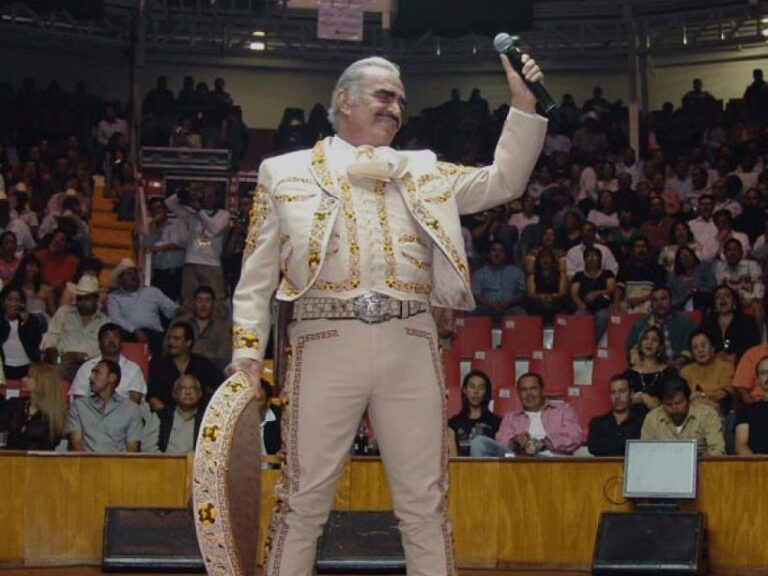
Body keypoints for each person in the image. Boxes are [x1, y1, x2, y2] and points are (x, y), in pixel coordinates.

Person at [225, 53, 547, 576]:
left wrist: (524, 105)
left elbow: (504, 181)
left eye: (400, 99)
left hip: (409, 339)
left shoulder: (422, 169)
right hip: (323, 337)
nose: (396, 108)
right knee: (301, 501)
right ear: (343, 101)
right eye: (384, 96)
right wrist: (245, 354)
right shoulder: (282, 172)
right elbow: (256, 277)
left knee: (425, 504)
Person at [470, 372, 581, 457]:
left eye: (533, 389)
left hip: (552, 461)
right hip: (519, 463)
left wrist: (543, 444)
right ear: (518, 394)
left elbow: (574, 437)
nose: (529, 394)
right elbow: (502, 447)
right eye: (524, 390)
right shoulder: (511, 417)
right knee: (478, 442)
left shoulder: (563, 409)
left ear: (542, 391)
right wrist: (514, 441)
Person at [65, 359, 143, 453]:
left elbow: (132, 450)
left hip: (117, 466)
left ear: (112, 378)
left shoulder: (131, 409)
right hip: (85, 465)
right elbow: (76, 444)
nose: (91, 377)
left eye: (96, 373)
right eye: (92, 373)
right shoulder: (79, 406)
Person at [41, 275, 109, 380]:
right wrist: (53, 350)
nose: (82, 303)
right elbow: (50, 337)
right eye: (79, 298)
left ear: (96, 299)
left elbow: (107, 352)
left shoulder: (105, 322)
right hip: (63, 363)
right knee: (48, 371)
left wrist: (84, 358)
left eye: (87, 299)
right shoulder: (63, 312)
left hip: (91, 367)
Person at [106, 258, 179, 355]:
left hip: (156, 336)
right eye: (129, 273)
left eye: (135, 273)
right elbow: (115, 318)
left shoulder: (152, 291)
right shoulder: (114, 297)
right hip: (129, 336)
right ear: (120, 279)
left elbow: (171, 309)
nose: (133, 276)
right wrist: (135, 330)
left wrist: (182, 311)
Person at [146, 320, 223, 412]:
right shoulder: (158, 364)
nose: (170, 342)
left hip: (198, 418)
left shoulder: (202, 364)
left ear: (188, 342)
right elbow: (152, 397)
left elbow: (222, 387)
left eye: (176, 339)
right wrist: (166, 417)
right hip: (166, 417)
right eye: (169, 338)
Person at [640, 375, 725, 456]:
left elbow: (718, 450)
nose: (674, 409)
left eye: (679, 403)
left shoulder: (707, 414)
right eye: (669, 405)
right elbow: (645, 452)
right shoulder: (652, 418)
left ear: (688, 399)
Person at [68, 323, 147, 404]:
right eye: (106, 337)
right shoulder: (86, 368)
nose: (111, 341)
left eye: (115, 336)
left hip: (124, 415)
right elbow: (78, 400)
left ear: (121, 343)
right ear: (99, 343)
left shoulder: (133, 369)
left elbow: (134, 403)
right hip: (91, 414)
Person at [0, 363, 66, 450]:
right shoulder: (15, 404)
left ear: (42, 382)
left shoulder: (54, 414)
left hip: (39, 461)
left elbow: (51, 443)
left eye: (28, 377)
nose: (23, 379)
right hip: (10, 459)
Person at [625, 285, 696, 367]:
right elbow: (632, 353)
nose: (659, 303)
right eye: (655, 300)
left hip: (679, 370)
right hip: (648, 371)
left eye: (663, 299)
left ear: (671, 301)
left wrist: (670, 367)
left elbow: (690, 350)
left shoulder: (685, 322)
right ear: (651, 304)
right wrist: (649, 368)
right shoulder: (639, 325)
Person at [141, 374, 204, 453]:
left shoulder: (207, 420)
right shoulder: (160, 416)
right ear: (174, 394)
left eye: (193, 388)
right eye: (183, 388)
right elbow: (148, 447)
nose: (188, 392)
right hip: (163, 463)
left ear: (200, 394)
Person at [700, 284, 760, 364]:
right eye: (718, 297)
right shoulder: (707, 324)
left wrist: (736, 356)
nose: (722, 299)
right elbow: (700, 345)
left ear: (734, 302)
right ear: (714, 304)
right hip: (712, 366)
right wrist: (713, 355)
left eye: (727, 295)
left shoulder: (747, 321)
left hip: (741, 364)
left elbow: (754, 347)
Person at [587, 374, 645, 456]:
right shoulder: (597, 423)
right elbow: (594, 448)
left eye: (622, 391)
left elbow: (641, 449)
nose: (617, 396)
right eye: (613, 392)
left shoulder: (642, 422)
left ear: (631, 394)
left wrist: (610, 444)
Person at [447, 370, 501, 456]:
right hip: (462, 468)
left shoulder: (497, 422)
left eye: (481, 388)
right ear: (465, 390)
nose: (476, 392)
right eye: (472, 387)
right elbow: (453, 458)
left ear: (486, 392)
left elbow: (499, 454)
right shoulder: (453, 423)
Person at [680, 330, 734, 415]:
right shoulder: (685, 371)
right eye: (695, 348)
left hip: (719, 411)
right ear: (692, 353)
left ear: (712, 348)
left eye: (703, 345)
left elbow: (724, 394)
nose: (700, 350)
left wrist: (702, 395)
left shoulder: (726, 367)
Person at [569, 246, 615, 343]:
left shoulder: (607, 274)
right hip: (584, 306)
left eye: (595, 256)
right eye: (589, 256)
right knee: (577, 318)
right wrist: (580, 305)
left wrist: (597, 293)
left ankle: (594, 344)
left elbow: (611, 289)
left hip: (602, 307)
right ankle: (580, 345)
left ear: (600, 259)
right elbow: (574, 293)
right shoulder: (579, 275)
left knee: (602, 317)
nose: (592, 258)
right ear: (584, 259)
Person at [626, 326, 677, 413]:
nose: (649, 342)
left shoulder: (670, 373)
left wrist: (656, 403)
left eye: (654, 340)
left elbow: (675, 401)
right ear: (640, 343)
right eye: (645, 339)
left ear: (660, 346)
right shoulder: (628, 374)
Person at [471, 240, 526, 319]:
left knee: (521, 314)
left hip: (510, 308)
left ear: (505, 254)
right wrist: (490, 305)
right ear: (489, 253)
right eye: (494, 250)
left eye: (501, 251)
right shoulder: (479, 273)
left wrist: (510, 303)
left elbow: (521, 292)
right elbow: (476, 295)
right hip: (486, 308)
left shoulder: (516, 272)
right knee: (473, 313)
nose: (497, 254)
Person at [0, 284, 45, 379]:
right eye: (9, 300)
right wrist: (5, 320)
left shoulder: (32, 320)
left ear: (22, 303)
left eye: (17, 300)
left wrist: (26, 324)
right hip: (4, 368)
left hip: (27, 367)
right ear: (3, 301)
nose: (13, 303)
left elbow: (35, 343)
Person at [735, 355, 768, 455]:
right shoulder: (746, 411)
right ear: (757, 380)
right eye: (763, 373)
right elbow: (741, 444)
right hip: (757, 467)